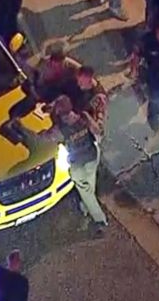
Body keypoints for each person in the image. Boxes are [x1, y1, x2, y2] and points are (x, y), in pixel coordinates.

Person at [35, 95, 108, 235]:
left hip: (78, 164)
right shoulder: (84, 117)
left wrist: (38, 132)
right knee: (89, 184)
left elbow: (44, 139)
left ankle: (99, 219)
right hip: (92, 156)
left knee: (86, 192)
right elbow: (98, 132)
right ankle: (85, 208)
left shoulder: (59, 130)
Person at [67, 66, 108, 143]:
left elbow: (98, 129)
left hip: (85, 128)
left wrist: (85, 115)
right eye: (78, 81)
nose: (79, 84)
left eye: (81, 82)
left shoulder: (98, 98)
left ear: (89, 79)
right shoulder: (80, 87)